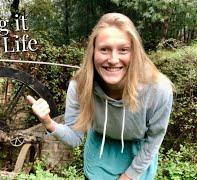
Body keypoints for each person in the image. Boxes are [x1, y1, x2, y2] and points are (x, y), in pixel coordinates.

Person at [27, 12, 173, 180]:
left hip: (138, 163)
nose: (113, 59)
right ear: (93, 52)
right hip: (98, 163)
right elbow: (75, 138)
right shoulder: (80, 86)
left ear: (135, 53)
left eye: (123, 50)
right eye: (104, 49)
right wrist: (49, 122)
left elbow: (154, 138)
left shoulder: (158, 89)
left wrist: (129, 176)